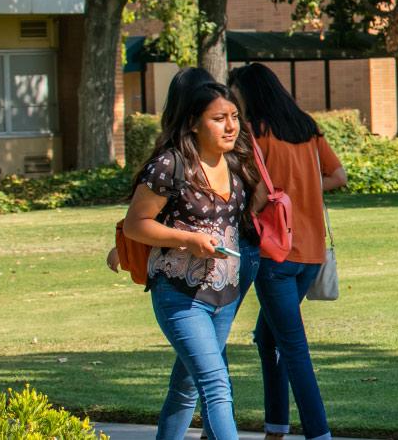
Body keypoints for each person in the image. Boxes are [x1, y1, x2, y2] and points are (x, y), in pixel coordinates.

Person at [120, 67, 263, 440]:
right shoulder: (170, 165)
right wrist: (187, 240)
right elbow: (136, 224)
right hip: (180, 295)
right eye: (219, 118)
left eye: (233, 117)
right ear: (194, 124)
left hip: (224, 295)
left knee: (186, 389)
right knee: (216, 385)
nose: (230, 126)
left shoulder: (232, 164)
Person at [229, 63, 346, 440]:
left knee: (293, 349)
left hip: (275, 252)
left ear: (248, 95)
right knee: (268, 339)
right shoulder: (306, 127)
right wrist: (304, 191)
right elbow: (338, 176)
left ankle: (318, 434)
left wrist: (276, 201)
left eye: (235, 96)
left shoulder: (253, 132)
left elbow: (256, 192)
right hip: (310, 254)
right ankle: (276, 428)